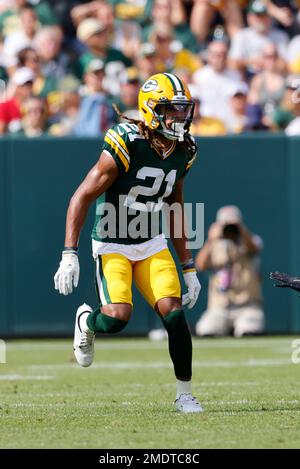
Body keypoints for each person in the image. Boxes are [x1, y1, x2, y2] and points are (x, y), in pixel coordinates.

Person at [54, 72, 202, 413]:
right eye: (172, 110)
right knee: (117, 318)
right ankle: (87, 322)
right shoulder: (126, 142)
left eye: (183, 110)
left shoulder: (185, 150)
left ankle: (185, 394)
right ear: (151, 110)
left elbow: (175, 207)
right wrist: (69, 253)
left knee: (175, 316)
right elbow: (81, 196)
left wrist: (188, 266)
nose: (180, 117)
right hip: (113, 244)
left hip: (151, 243)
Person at [195, 205, 265, 337]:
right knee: (206, 331)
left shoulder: (250, 240)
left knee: (249, 331)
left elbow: (254, 248)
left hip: (247, 306)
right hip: (219, 307)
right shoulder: (214, 245)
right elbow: (200, 265)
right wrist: (210, 240)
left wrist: (241, 229)